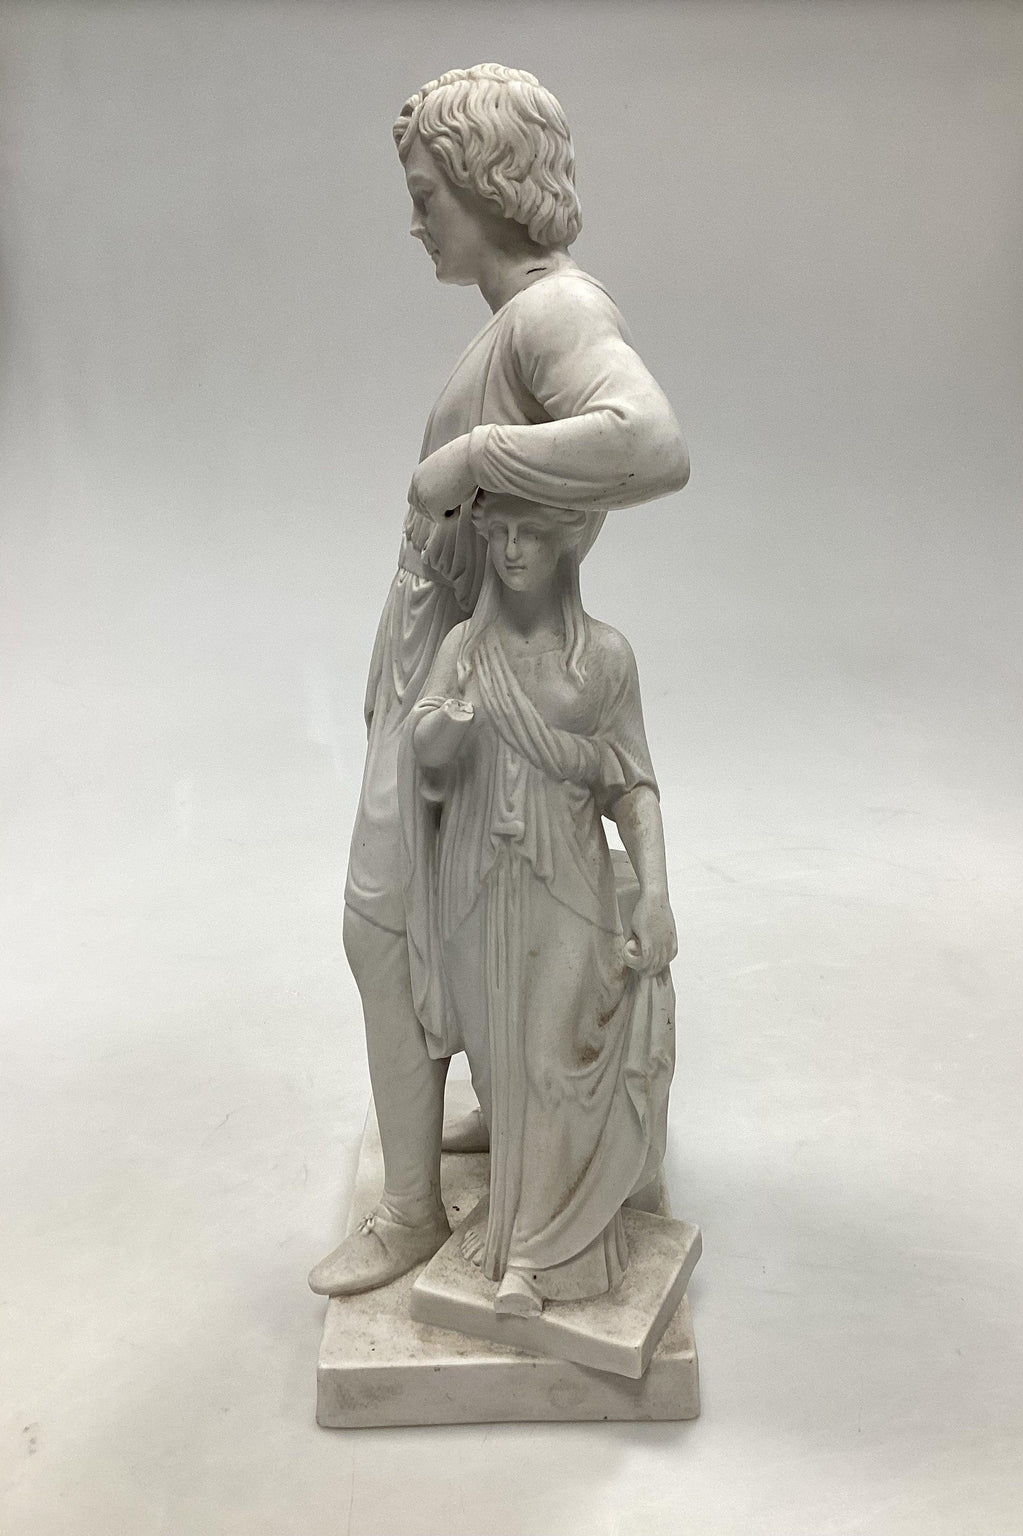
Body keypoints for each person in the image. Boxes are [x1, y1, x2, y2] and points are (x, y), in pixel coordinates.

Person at [309, 64, 688, 1298]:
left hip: (470, 674)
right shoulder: (517, 320)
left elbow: (649, 441)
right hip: (449, 664)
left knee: (379, 929)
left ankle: (410, 1211)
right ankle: (503, 1112)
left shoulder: (551, 316)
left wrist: (475, 456)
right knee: (448, 915)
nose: (414, 219)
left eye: (426, 193)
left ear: (483, 184)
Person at [403, 495, 677, 1316]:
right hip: (474, 880)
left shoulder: (604, 659)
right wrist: (449, 726)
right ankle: (519, 1204)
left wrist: (656, 893)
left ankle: (534, 1256)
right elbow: (423, 747)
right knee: (500, 1066)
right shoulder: (464, 646)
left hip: (565, 881)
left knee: (555, 1062)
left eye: (532, 534)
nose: (514, 550)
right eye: (501, 535)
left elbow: (634, 787)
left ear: (567, 543)